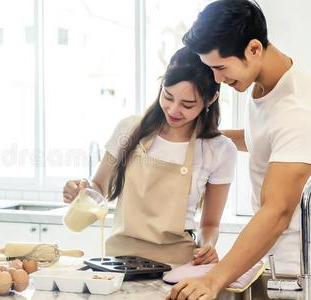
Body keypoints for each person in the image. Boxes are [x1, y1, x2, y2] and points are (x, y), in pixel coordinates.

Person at [167, 1, 311, 299]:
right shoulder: (264, 84)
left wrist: (212, 280)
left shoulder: (297, 111)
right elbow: (264, 141)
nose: (217, 78)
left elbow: (277, 212)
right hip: (269, 262)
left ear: (254, 49)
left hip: (294, 274)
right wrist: (201, 134)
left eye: (220, 67)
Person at [63, 47, 237, 266]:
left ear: (211, 99)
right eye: (168, 96)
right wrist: (81, 191)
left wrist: (208, 245)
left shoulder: (219, 150)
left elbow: (210, 224)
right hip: (118, 262)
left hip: (177, 267)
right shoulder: (129, 130)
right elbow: (99, 187)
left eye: (187, 104)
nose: (173, 110)